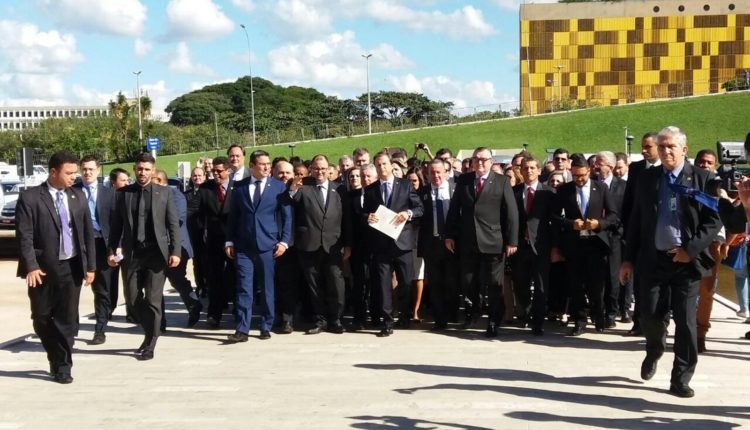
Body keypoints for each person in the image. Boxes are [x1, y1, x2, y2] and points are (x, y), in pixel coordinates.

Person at [620, 126, 722, 398]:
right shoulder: (647, 178)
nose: (665, 151)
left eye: (671, 146)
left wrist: (690, 249)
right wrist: (628, 259)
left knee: (686, 322)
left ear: (684, 150)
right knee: (650, 314)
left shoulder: (701, 178)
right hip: (653, 260)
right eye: (662, 146)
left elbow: (714, 220)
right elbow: (636, 219)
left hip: (686, 263)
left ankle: (681, 378)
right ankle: (654, 348)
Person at [16, 150, 96, 384]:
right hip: (41, 270)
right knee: (41, 317)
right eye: (69, 173)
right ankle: (55, 355)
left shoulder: (78, 196)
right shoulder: (31, 198)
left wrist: (91, 266)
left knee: (67, 320)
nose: (74, 177)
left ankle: (63, 366)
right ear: (53, 172)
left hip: (71, 267)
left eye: (75, 172)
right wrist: (31, 265)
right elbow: (24, 236)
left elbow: (87, 234)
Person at [108, 152, 181, 361]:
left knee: (152, 299)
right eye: (139, 169)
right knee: (132, 298)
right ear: (134, 169)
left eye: (147, 169)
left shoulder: (164, 193)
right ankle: (150, 331)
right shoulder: (123, 194)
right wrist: (111, 250)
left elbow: (173, 224)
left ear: (153, 170)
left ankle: (151, 342)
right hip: (133, 254)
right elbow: (116, 226)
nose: (142, 172)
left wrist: (175, 251)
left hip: (156, 254)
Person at [445, 147, 519, 337]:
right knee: (468, 282)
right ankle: (473, 313)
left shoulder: (502, 181)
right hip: (468, 241)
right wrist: (449, 235)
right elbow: (454, 209)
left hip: (493, 241)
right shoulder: (464, 180)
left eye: (484, 159)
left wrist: (512, 240)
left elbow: (511, 213)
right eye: (476, 159)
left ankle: (494, 321)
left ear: (491, 161)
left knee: (494, 285)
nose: (480, 162)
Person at [225, 150, 292, 342]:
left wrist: (284, 241)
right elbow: (233, 216)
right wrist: (229, 241)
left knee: (267, 287)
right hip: (243, 246)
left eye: (268, 164)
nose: (266, 167)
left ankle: (265, 325)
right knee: (244, 288)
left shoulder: (278, 187)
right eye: (262, 164)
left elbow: (287, 217)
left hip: (268, 245)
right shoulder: (239, 187)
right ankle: (242, 329)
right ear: (252, 166)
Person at [552, 153, 617, 336]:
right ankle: (579, 320)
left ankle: (599, 316)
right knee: (576, 284)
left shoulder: (601, 188)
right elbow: (555, 217)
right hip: (574, 243)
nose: (579, 179)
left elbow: (613, 216)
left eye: (582, 175)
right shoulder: (565, 190)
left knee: (597, 284)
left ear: (589, 171)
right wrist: (570, 224)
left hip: (596, 243)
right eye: (575, 176)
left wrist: (599, 224)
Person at [363, 152, 424, 337]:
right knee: (383, 284)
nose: (382, 167)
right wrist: (368, 217)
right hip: (381, 244)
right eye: (378, 165)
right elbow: (365, 212)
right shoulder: (371, 189)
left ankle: (404, 316)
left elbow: (419, 208)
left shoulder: (405, 185)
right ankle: (387, 322)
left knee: (405, 283)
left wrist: (408, 214)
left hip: (402, 242)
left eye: (384, 164)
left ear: (391, 165)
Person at [289, 155, 351, 334]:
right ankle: (320, 320)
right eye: (316, 168)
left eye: (323, 169)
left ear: (329, 170)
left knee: (336, 284)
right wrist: (292, 190)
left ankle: (336, 320)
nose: (320, 172)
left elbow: (346, 219)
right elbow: (291, 203)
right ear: (311, 170)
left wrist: (348, 244)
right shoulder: (303, 187)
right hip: (309, 244)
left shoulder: (339, 189)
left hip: (333, 245)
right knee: (314, 286)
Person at [620, 132, 660, 336]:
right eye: (642, 147)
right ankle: (639, 322)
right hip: (639, 233)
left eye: (648, 147)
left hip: (661, 235)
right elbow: (629, 201)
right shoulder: (636, 168)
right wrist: (627, 230)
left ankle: (658, 322)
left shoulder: (666, 169)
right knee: (639, 281)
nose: (643, 151)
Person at [74, 155, 117, 345]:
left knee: (102, 290)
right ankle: (71, 328)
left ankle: (100, 329)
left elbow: (117, 223)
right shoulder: (72, 191)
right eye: (84, 169)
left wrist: (115, 248)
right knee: (72, 289)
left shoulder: (109, 193)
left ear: (98, 170)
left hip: (102, 244)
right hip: (79, 245)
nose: (87, 172)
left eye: (91, 169)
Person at [511, 156, 556, 335]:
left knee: (541, 285)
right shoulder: (514, 192)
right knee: (520, 284)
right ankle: (527, 312)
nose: (528, 171)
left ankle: (538, 321)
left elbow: (554, 221)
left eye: (532, 168)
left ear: (538, 170)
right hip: (520, 246)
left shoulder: (548, 193)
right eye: (525, 168)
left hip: (541, 246)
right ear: (520, 171)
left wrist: (555, 247)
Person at [152, 170, 202, 328]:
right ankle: (159, 321)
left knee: (177, 279)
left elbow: (178, 220)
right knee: (155, 284)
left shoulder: (176, 196)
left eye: (152, 181)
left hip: (177, 246)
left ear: (160, 181)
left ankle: (193, 304)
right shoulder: (149, 196)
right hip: (157, 247)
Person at [417, 159, 458, 330]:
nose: (436, 176)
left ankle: (453, 313)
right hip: (431, 244)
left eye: (439, 172)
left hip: (453, 244)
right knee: (435, 283)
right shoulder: (422, 193)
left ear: (446, 173)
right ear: (427, 174)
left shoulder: (456, 190)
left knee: (452, 281)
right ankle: (440, 319)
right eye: (432, 173)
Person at [693, 148, 726, 353]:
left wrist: (726, 243)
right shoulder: (686, 182)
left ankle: (700, 333)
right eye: (701, 161)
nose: (704, 165)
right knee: (683, 290)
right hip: (687, 242)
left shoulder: (721, 186)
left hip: (712, 244)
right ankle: (685, 330)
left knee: (706, 292)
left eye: (709, 162)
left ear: (715, 166)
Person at [198, 156, 236, 328]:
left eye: (219, 171)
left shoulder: (238, 187)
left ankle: (238, 311)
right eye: (213, 171)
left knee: (236, 276)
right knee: (214, 277)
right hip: (214, 240)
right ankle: (214, 314)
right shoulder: (205, 188)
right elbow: (197, 213)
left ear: (228, 170)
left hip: (234, 239)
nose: (216, 174)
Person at [594, 151, 628, 328]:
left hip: (615, 237)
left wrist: (621, 232)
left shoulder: (623, 187)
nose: (596, 166)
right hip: (594, 236)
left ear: (611, 166)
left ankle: (612, 312)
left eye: (600, 163)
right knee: (597, 277)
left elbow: (627, 212)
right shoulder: (592, 184)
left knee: (613, 277)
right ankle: (598, 312)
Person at [272, 160, 303, 333]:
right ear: (273, 174)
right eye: (280, 173)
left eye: (288, 173)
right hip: (273, 244)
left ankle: (288, 319)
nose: (284, 176)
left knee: (290, 284)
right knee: (275, 283)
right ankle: (277, 316)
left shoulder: (301, 191)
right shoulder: (270, 191)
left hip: (296, 245)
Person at [349, 164, 378, 330]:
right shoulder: (351, 196)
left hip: (378, 245)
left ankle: (376, 316)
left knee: (376, 282)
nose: (365, 180)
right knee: (359, 283)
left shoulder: (380, 193)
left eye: (368, 177)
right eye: (362, 176)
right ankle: (359, 317)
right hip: (358, 246)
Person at [406, 166, 427, 322]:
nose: (411, 184)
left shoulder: (424, 196)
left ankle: (416, 310)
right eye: (408, 181)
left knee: (418, 275)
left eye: (414, 181)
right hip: (403, 239)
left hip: (419, 238)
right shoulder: (401, 194)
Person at [185, 167, 207, 298]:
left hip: (206, 232)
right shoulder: (186, 194)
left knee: (207, 261)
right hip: (192, 233)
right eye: (195, 175)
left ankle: (209, 285)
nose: (197, 178)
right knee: (197, 261)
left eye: (200, 175)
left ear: (204, 177)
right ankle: (200, 286)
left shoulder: (209, 192)